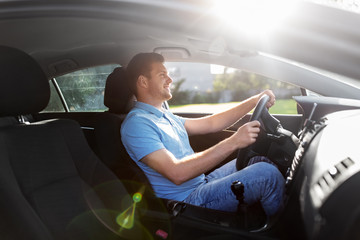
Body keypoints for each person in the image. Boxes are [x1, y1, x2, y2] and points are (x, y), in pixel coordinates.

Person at [121, 52, 285, 216]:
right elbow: (176, 173)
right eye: (162, 75)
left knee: (258, 159)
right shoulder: (137, 124)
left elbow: (212, 123)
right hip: (187, 201)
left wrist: (253, 101)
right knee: (267, 175)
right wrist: (233, 142)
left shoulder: (164, 115)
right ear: (143, 81)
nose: (170, 80)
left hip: (202, 183)